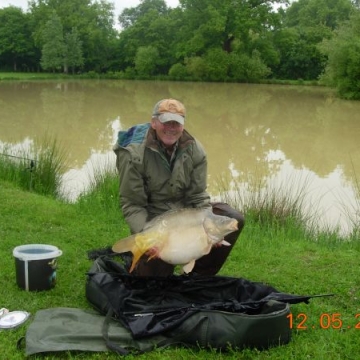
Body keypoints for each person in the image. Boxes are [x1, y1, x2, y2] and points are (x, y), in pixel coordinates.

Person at [113, 98, 245, 276]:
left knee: (233, 218)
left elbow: (198, 196)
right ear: (154, 122)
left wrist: (212, 228)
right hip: (154, 219)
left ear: (183, 125)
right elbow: (132, 204)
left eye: (177, 123)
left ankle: (198, 276)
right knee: (154, 280)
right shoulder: (133, 153)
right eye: (166, 122)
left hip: (186, 217)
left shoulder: (195, 150)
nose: (171, 128)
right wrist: (148, 236)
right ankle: (143, 257)